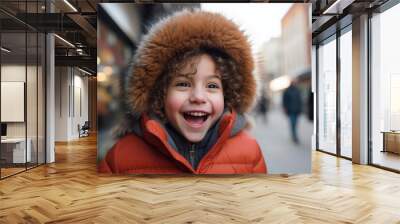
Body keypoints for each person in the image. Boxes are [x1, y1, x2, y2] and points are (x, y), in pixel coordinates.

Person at [98, 10, 267, 174]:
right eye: (183, 84)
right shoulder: (121, 158)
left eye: (212, 86)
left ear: (228, 95)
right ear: (159, 94)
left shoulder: (249, 153)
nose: (198, 97)